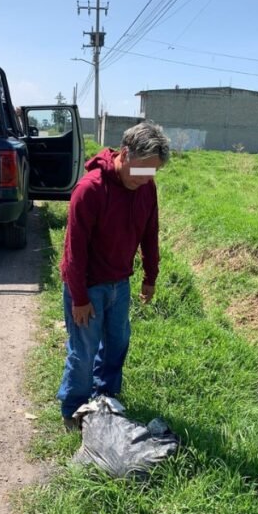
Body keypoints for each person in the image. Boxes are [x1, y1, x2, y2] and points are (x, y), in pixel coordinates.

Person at [56, 121, 170, 431]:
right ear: (125, 153)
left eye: (153, 171)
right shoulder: (90, 189)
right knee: (84, 351)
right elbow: (74, 251)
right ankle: (73, 409)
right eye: (142, 169)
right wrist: (80, 298)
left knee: (117, 343)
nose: (145, 178)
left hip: (120, 283)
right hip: (88, 285)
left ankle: (105, 397)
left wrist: (150, 276)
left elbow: (150, 233)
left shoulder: (146, 187)